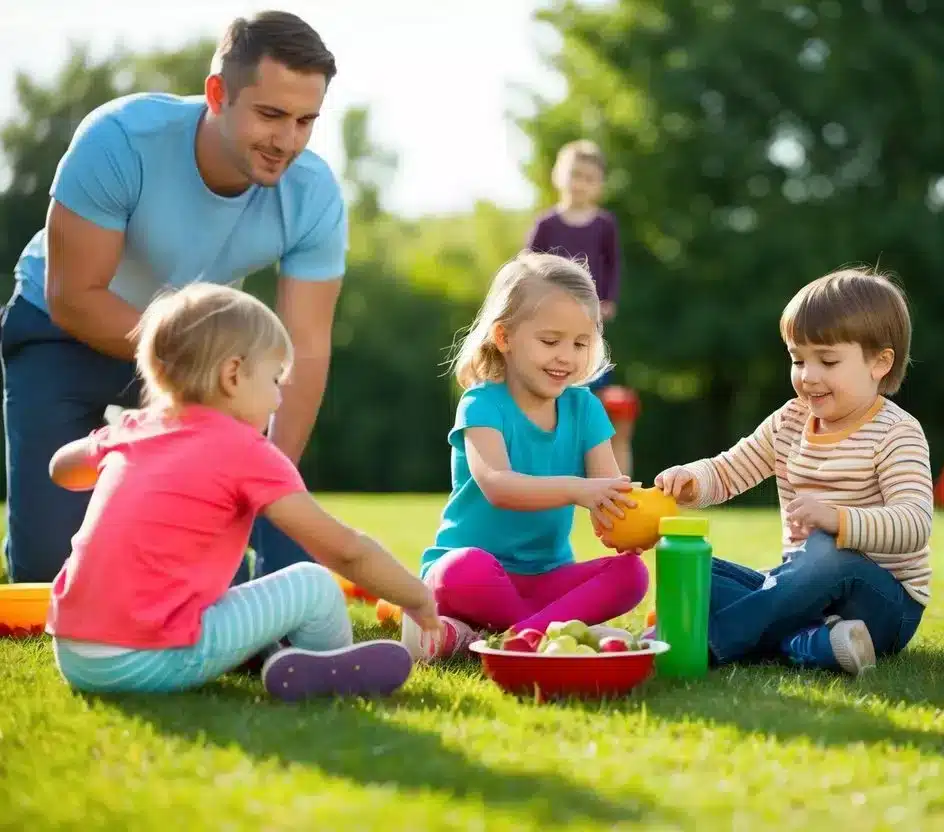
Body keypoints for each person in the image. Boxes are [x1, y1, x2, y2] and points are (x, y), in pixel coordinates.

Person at [2, 11, 347, 584]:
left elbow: (306, 350)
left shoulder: (312, 195)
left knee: (240, 570)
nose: (287, 142)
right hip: (62, 332)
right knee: (48, 573)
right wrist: (196, 367)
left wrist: (269, 476)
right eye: (270, 115)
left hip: (191, 353)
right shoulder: (119, 140)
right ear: (217, 94)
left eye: (305, 121)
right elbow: (76, 298)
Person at [45, 283, 441, 700]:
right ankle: (336, 670)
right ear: (233, 374)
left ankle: (270, 651)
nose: (277, 399)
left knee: (224, 598)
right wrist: (415, 595)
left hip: (75, 655)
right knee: (313, 584)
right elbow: (345, 550)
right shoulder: (245, 450)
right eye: (274, 379)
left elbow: (60, 469)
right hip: (144, 658)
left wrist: (109, 446)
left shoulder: (134, 429)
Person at [652, 269, 933, 676]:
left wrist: (837, 521)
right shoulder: (790, 421)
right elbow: (731, 469)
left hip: (882, 606)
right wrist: (691, 480)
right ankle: (812, 643)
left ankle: (713, 642)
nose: (808, 375)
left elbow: (914, 523)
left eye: (828, 360)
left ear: (879, 362)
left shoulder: (896, 433)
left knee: (828, 553)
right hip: (801, 592)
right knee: (696, 569)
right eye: (798, 359)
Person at [402, 251, 650, 662]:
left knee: (631, 575)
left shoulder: (584, 408)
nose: (566, 357)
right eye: (550, 341)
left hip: (547, 577)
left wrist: (633, 523)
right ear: (505, 338)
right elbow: (498, 485)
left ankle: (504, 637)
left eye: (580, 343)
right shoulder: (482, 404)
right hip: (477, 575)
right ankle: (555, 628)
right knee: (463, 572)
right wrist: (577, 490)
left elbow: (609, 495)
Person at [525, 140, 637, 477]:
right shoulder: (546, 224)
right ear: (559, 177)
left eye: (589, 177)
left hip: (589, 323)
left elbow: (613, 264)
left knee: (591, 390)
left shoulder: (604, 224)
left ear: (599, 184)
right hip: (549, 320)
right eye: (575, 175)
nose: (580, 183)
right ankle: (547, 463)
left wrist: (607, 301)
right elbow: (527, 267)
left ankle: (600, 469)